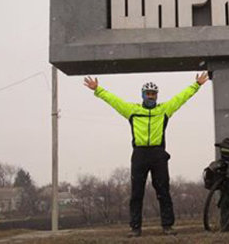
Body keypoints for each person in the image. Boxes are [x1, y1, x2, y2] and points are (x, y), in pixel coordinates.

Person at [83, 72, 209, 237]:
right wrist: (98, 90)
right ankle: (135, 228)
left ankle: (167, 226)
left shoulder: (164, 109)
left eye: (153, 94)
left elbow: (180, 98)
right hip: (139, 154)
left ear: (157, 96)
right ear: (143, 95)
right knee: (136, 193)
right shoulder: (132, 110)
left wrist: (196, 85)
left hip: (158, 154)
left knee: (163, 191)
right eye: (148, 94)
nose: (151, 96)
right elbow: (114, 101)